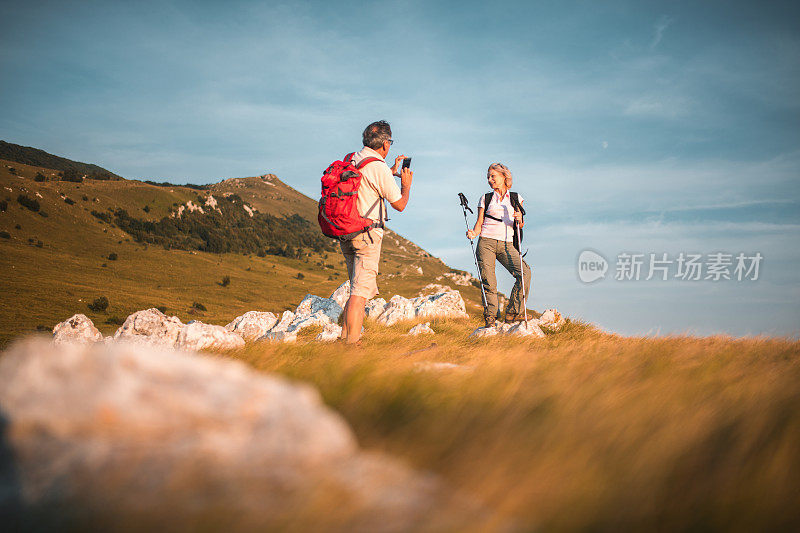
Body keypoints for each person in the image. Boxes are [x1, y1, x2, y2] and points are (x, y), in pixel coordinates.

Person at [340, 120, 413, 344]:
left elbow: (368, 181)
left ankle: (343, 339)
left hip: (345, 230)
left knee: (355, 287)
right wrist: (406, 184)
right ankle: (352, 345)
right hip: (367, 233)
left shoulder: (352, 159)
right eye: (389, 142)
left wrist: (391, 171)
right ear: (384, 144)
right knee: (359, 294)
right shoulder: (378, 167)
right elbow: (399, 204)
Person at [466, 163, 531, 328]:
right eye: (488, 177)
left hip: (507, 244)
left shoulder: (516, 198)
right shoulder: (486, 198)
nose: (489, 180)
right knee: (489, 282)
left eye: (493, 176)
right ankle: (490, 319)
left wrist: (518, 218)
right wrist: (473, 233)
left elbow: (521, 224)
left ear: (504, 177)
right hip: (486, 242)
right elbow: (480, 223)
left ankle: (513, 313)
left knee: (524, 273)